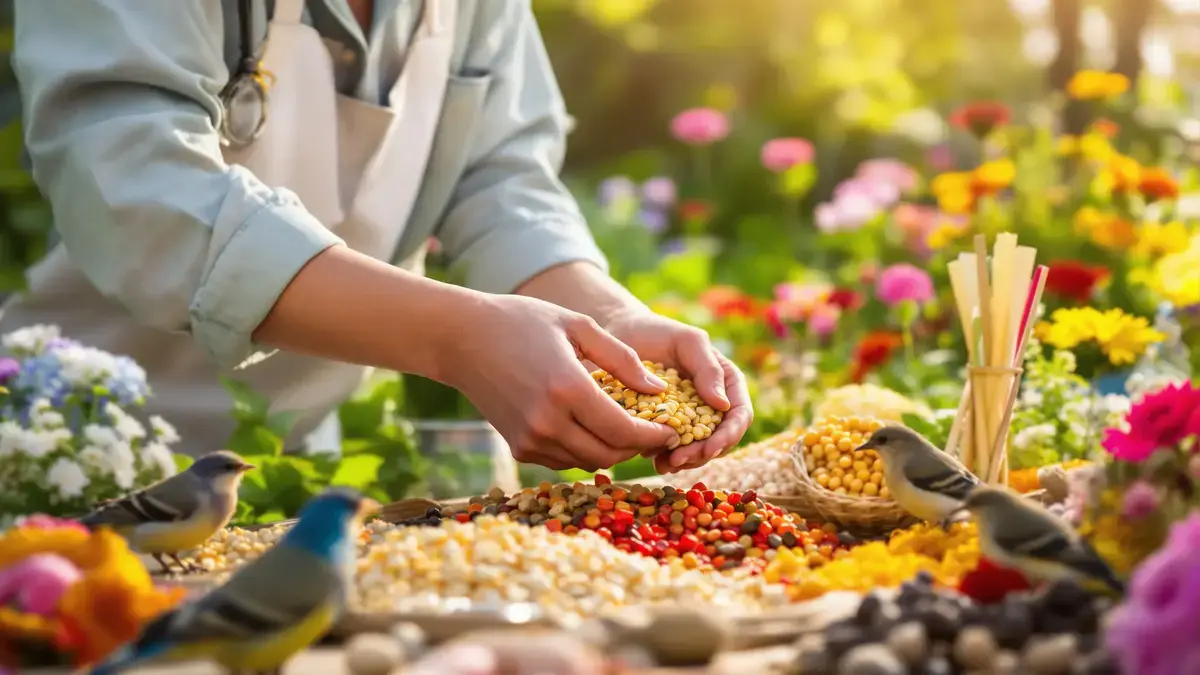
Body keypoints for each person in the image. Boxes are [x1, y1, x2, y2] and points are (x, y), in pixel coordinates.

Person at [2, 0, 752, 474]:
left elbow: (496, 177)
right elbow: (140, 197)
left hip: (290, 473)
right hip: (60, 460)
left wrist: (607, 320)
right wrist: (459, 339)